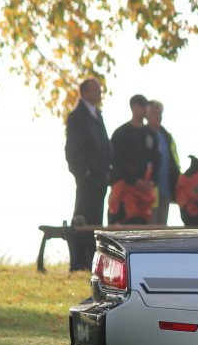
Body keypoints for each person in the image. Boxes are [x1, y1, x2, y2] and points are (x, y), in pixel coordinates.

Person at [64, 77, 113, 270]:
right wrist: (83, 172)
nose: (100, 94)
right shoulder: (77, 116)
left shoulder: (97, 115)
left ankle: (92, 259)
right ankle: (79, 260)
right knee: (83, 217)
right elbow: (73, 148)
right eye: (96, 90)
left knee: (95, 219)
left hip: (100, 176)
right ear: (85, 92)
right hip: (87, 176)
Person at [109, 94, 158, 224]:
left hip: (145, 195)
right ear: (133, 107)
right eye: (142, 105)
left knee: (141, 225)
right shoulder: (120, 133)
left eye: (147, 105)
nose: (145, 108)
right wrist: (135, 181)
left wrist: (152, 182)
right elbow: (116, 162)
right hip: (124, 190)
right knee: (124, 223)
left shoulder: (151, 134)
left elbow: (157, 161)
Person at [145, 99, 181, 225]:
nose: (159, 116)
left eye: (160, 113)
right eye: (155, 113)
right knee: (149, 226)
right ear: (147, 114)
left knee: (162, 227)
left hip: (166, 187)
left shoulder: (167, 136)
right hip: (149, 189)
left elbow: (175, 161)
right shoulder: (143, 134)